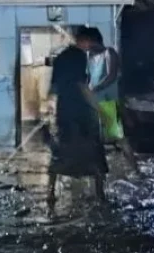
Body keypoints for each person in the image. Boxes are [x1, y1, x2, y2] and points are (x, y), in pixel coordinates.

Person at [45, 25, 107, 212]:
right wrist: (98, 108)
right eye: (92, 43)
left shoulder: (61, 57)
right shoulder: (79, 57)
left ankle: (50, 193)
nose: (91, 47)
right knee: (95, 152)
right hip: (81, 111)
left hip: (64, 111)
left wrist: (50, 108)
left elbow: (54, 87)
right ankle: (101, 195)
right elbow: (81, 85)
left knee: (61, 151)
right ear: (86, 40)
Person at [86, 27, 140, 173]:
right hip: (95, 103)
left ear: (94, 40)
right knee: (95, 139)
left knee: (119, 138)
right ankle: (99, 174)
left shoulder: (109, 53)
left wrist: (94, 89)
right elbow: (88, 79)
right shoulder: (90, 57)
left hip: (107, 102)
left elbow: (111, 76)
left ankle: (136, 171)